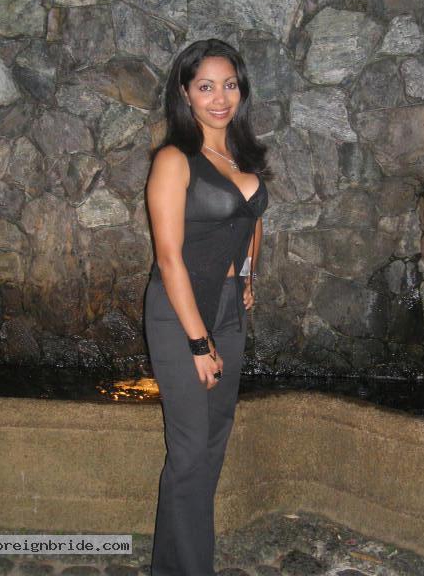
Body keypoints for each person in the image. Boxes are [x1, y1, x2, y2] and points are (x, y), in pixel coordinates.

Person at [144, 38, 271, 576]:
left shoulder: (243, 155)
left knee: (213, 447)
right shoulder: (174, 160)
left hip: (228, 309)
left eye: (230, 85)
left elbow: (252, 217)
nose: (220, 98)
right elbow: (168, 258)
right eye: (206, 87)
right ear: (185, 93)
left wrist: (247, 274)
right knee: (191, 449)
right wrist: (198, 342)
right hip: (180, 313)